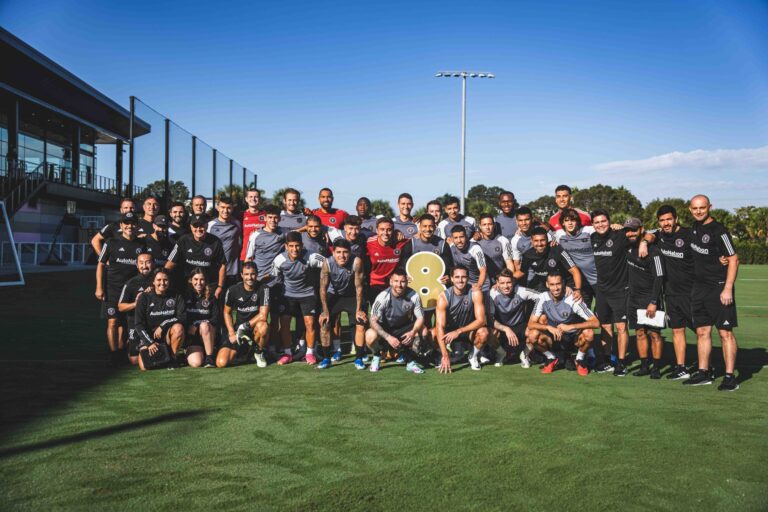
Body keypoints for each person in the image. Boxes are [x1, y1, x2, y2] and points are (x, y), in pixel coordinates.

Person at [685, 194, 739, 391]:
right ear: (690, 209)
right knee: (702, 331)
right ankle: (704, 373)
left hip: (719, 287)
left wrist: (727, 288)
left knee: (725, 333)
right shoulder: (693, 228)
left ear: (710, 207)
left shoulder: (719, 230)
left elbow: (733, 259)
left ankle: (730, 377)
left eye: (702, 207)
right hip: (699, 288)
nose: (699, 211)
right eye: (695, 208)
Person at [95, 212, 146, 367]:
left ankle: (121, 350)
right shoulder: (111, 242)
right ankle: (113, 354)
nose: (130, 226)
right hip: (112, 289)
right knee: (113, 322)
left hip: (130, 291)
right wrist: (99, 287)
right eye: (126, 223)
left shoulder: (141, 245)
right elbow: (100, 265)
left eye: (133, 223)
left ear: (137, 226)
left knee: (124, 323)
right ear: (121, 225)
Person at [266, 231, 326, 364]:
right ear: (286, 246)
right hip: (287, 295)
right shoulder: (279, 259)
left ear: (302, 246)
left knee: (310, 323)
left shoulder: (312, 256)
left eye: (297, 246)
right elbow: (273, 276)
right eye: (291, 246)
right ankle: (287, 353)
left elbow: (329, 265)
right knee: (285, 324)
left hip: (308, 294)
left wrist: (322, 280)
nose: (295, 249)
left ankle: (310, 353)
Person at [653, 205, 696, 380]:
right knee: (677, 331)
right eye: (662, 220)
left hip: (691, 293)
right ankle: (681, 368)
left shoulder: (689, 235)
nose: (666, 223)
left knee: (701, 331)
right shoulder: (658, 236)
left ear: (676, 219)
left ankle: (706, 368)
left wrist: (722, 259)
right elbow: (644, 234)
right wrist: (644, 242)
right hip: (670, 294)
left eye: (669, 219)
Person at [527, 272, 599, 376]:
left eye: (558, 284)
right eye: (552, 284)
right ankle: (551, 358)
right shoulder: (542, 298)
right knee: (532, 335)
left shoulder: (573, 299)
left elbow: (596, 322)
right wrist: (548, 327)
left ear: (563, 283)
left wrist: (571, 327)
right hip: (555, 337)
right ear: (547, 285)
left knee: (589, 333)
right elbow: (530, 324)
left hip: (573, 338)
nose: (556, 288)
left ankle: (579, 359)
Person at [621, 217, 665, 379]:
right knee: (640, 332)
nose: (630, 233)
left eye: (634, 230)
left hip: (650, 299)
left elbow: (659, 278)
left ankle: (657, 368)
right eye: (628, 231)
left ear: (641, 230)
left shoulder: (654, 252)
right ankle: (645, 365)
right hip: (633, 299)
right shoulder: (627, 247)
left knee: (654, 334)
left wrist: (653, 302)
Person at [590, 209, 630, 374]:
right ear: (593, 225)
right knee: (605, 326)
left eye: (603, 221)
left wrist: (643, 242)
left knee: (621, 327)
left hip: (620, 290)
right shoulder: (592, 238)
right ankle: (606, 360)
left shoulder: (619, 235)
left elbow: (645, 233)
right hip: (602, 290)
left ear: (609, 221)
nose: (600, 225)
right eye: (597, 222)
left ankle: (621, 363)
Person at [244, 205, 287, 356]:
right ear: (265, 218)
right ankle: (252, 346)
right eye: (270, 217)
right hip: (260, 284)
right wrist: (248, 281)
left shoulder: (284, 233)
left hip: (277, 283)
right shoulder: (256, 235)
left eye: (275, 217)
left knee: (275, 317)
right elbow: (248, 259)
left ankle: (272, 347)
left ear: (279, 218)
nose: (273, 220)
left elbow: (299, 232)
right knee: (258, 317)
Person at [318, 239, 368, 369]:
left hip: (352, 296)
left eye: (345, 252)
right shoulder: (327, 263)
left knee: (360, 322)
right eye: (338, 252)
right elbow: (323, 288)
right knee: (324, 323)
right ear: (333, 252)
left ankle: (359, 358)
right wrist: (325, 311)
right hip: (334, 295)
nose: (342, 256)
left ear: (350, 252)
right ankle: (326, 358)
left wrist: (358, 310)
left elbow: (359, 287)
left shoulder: (356, 262)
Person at [366, 269, 426, 374]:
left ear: (407, 282)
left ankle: (410, 361)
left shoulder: (414, 295)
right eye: (396, 281)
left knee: (424, 330)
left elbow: (420, 318)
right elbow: (373, 321)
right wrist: (388, 337)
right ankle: (377, 355)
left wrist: (412, 332)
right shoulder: (382, 297)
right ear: (391, 282)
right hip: (385, 329)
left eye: (402, 281)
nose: (399, 285)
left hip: (404, 327)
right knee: (370, 335)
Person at [433, 265, 490, 372]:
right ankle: (445, 354)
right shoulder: (444, 297)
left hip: (468, 330)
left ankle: (473, 356)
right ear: (451, 279)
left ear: (468, 278)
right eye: (457, 277)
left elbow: (481, 321)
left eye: (463, 277)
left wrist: (458, 331)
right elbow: (440, 327)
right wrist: (445, 355)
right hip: (449, 332)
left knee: (484, 333)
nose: (460, 280)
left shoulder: (475, 292)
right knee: (433, 333)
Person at [220, 262, 270, 368]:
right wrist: (231, 333)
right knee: (221, 362)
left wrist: (244, 326)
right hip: (238, 332)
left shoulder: (264, 288)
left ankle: (259, 352)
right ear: (241, 275)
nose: (250, 277)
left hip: (254, 329)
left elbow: (263, 315)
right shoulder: (232, 290)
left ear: (257, 274)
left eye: (252, 274)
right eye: (246, 274)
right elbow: (226, 312)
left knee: (263, 326)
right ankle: (246, 353)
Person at [134, 268, 186, 370]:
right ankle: (166, 356)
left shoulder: (176, 295)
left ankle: (173, 358)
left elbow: (182, 317)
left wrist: (163, 325)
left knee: (178, 328)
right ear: (153, 282)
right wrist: (150, 343)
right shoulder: (144, 297)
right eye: (159, 280)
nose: (162, 283)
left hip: (167, 336)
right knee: (145, 367)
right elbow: (138, 324)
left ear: (169, 281)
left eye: (165, 280)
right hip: (149, 337)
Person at [165, 214, 226, 298]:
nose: (198, 229)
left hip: (208, 285)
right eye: (195, 226)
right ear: (191, 227)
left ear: (206, 226)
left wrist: (220, 286)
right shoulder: (183, 240)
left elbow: (223, 265)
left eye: (201, 226)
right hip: (188, 284)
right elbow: (171, 262)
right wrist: (162, 278)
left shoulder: (215, 242)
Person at [489, 268, 540, 368]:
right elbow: (490, 319)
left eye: (508, 282)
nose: (506, 286)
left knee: (535, 333)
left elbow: (543, 297)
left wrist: (534, 315)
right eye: (502, 283)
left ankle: (525, 354)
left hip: (520, 326)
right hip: (502, 327)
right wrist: (506, 329)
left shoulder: (521, 291)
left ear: (513, 281)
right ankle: (501, 353)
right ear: (497, 283)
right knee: (489, 333)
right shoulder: (492, 293)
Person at [552, 208, 597, 306]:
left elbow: (604, 228)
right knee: (584, 310)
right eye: (567, 220)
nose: (570, 223)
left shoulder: (588, 230)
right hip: (579, 282)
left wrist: (614, 226)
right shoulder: (559, 234)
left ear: (577, 221)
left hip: (596, 279)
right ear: (563, 223)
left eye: (573, 220)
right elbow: (540, 236)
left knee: (604, 311)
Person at [518, 227, 581, 294]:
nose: (539, 244)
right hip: (544, 285)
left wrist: (577, 290)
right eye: (536, 241)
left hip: (564, 284)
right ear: (532, 241)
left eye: (542, 240)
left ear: (547, 239)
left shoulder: (556, 249)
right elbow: (521, 272)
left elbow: (574, 271)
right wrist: (510, 279)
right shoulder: (527, 255)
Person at [118, 252, 155, 366]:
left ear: (153, 264)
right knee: (134, 361)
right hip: (135, 322)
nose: (144, 266)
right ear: (137, 265)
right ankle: (131, 343)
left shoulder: (158, 280)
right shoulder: (131, 283)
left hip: (154, 322)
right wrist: (136, 304)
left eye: (148, 262)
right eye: (141, 263)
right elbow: (120, 307)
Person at [366, 217, 409, 304]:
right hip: (375, 285)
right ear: (377, 231)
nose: (385, 233)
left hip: (394, 285)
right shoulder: (369, 243)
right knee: (377, 311)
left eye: (389, 230)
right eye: (382, 229)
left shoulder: (400, 242)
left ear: (393, 231)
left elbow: (416, 240)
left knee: (394, 311)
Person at [184, 268, 219, 368]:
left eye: (202, 279)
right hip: (193, 337)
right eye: (196, 279)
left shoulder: (211, 296)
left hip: (208, 333)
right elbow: (181, 317)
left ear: (206, 281)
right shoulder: (185, 296)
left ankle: (209, 358)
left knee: (204, 325)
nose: (199, 283)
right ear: (190, 280)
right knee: (196, 363)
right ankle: (191, 352)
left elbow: (216, 318)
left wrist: (197, 324)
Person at [207, 195, 243, 289]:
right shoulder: (210, 226)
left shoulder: (237, 224)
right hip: (215, 272)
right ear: (217, 208)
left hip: (232, 273)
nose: (225, 211)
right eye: (222, 207)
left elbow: (240, 244)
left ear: (232, 209)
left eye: (228, 208)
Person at [476, 213, 514, 284]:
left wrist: (509, 281)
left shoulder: (503, 240)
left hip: (499, 282)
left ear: (494, 225)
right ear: (480, 226)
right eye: (484, 225)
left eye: (490, 224)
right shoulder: (474, 242)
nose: (487, 227)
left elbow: (509, 263)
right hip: (480, 282)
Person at [449, 225, 487, 292]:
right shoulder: (451, 247)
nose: (459, 240)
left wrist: (478, 287)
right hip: (464, 284)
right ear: (452, 239)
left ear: (466, 237)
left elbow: (483, 270)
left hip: (481, 284)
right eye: (456, 238)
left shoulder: (475, 249)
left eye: (461, 237)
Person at [240, 188, 266, 262]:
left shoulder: (266, 215)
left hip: (262, 257)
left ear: (259, 199)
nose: (253, 199)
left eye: (256, 197)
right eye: (250, 197)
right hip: (245, 256)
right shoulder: (241, 215)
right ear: (246, 199)